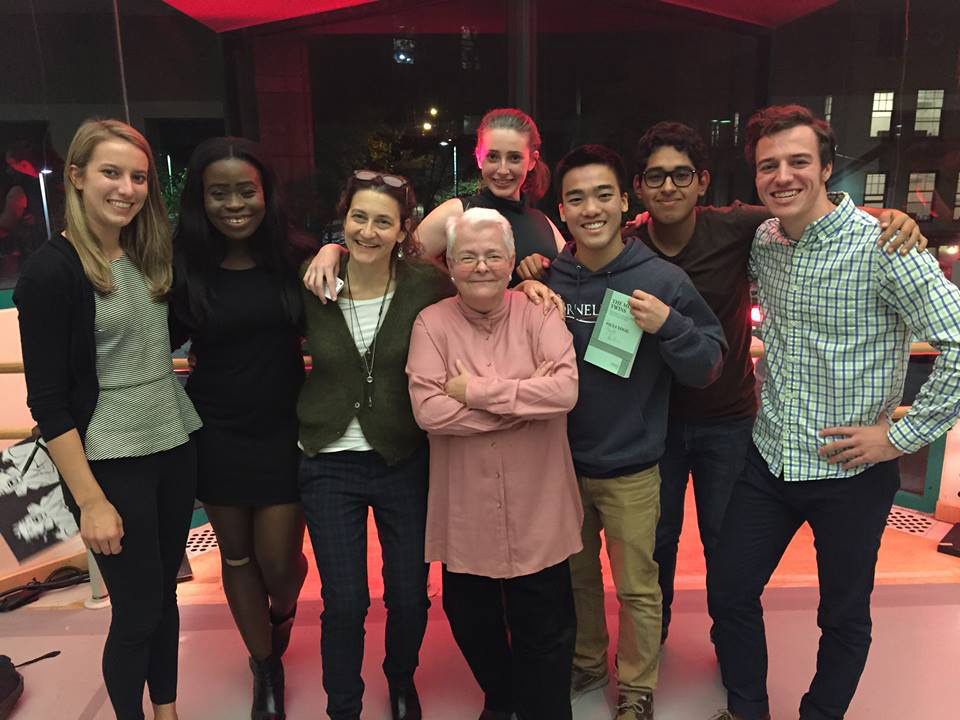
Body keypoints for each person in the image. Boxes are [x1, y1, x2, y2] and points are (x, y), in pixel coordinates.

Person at [519, 122, 926, 646]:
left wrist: (887, 216)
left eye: (681, 175)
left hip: (729, 421)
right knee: (656, 544)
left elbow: (813, 210)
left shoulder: (740, 227)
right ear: (637, 191)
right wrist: (534, 269)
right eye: (656, 177)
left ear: (702, 181)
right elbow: (575, 261)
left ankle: (729, 648)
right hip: (657, 427)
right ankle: (653, 648)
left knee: (726, 546)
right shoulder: (626, 241)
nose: (669, 188)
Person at [707, 105, 960, 720]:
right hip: (768, 461)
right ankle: (748, 710)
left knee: (843, 612)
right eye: (769, 166)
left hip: (850, 473)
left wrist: (901, 436)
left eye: (798, 162)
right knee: (729, 591)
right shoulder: (765, 241)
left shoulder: (884, 246)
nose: (783, 176)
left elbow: (958, 338)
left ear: (826, 168)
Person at [13, 119, 201, 720]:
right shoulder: (52, 271)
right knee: (137, 609)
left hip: (172, 440)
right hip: (108, 458)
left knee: (164, 599)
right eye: (110, 173)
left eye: (138, 176)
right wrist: (89, 500)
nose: (127, 188)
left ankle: (166, 711)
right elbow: (47, 399)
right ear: (76, 176)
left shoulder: (150, 255)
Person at [542, 144, 727, 720]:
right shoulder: (549, 277)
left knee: (638, 588)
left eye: (603, 195)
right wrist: (526, 285)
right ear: (563, 210)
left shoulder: (662, 280)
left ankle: (639, 686)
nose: (590, 208)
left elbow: (709, 365)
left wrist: (669, 325)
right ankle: (589, 661)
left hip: (633, 469)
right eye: (576, 198)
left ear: (625, 201)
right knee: (577, 581)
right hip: (562, 468)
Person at [407, 207, 583, 720]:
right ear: (451, 264)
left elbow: (565, 391)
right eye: (467, 257)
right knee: (469, 617)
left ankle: (545, 709)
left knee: (546, 626)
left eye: (492, 256)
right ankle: (502, 696)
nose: (480, 266)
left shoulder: (542, 312)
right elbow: (429, 411)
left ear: (511, 263)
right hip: (467, 509)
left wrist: (476, 392)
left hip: (539, 507)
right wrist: (522, 406)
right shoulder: (431, 323)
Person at [296, 170, 455, 720]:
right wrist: (328, 248)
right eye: (357, 218)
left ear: (402, 229)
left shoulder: (425, 284)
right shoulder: (314, 282)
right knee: (344, 601)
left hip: (403, 457)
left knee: (409, 596)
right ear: (343, 219)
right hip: (327, 461)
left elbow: (483, 299)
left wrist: (531, 285)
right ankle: (344, 705)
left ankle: (400, 678)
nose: (367, 230)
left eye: (382, 221)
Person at [168, 137, 311, 720]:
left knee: (280, 561)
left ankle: (280, 614)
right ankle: (264, 667)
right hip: (217, 429)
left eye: (245, 190)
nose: (234, 204)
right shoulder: (184, 266)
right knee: (235, 557)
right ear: (201, 200)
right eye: (218, 192)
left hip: (284, 426)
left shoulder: (296, 256)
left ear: (265, 193)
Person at [302, 107, 566, 299]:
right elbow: (391, 261)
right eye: (493, 157)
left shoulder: (544, 223)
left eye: (515, 158)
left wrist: (544, 270)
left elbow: (580, 276)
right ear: (478, 158)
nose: (503, 169)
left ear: (532, 161)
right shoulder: (457, 212)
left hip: (541, 359)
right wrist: (336, 253)